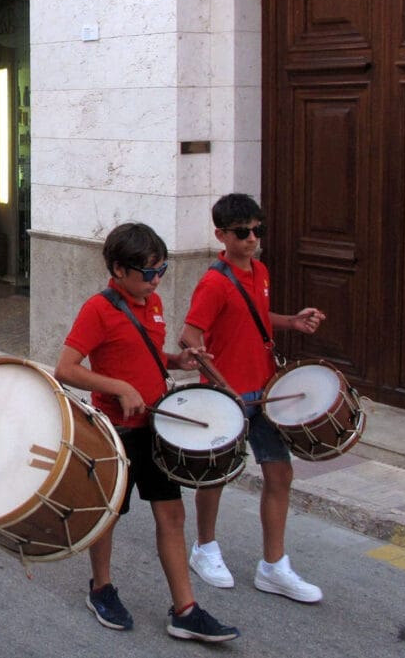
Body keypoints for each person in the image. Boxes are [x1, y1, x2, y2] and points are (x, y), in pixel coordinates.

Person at [53, 222, 240, 643]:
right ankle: (101, 589)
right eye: (149, 273)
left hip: (156, 428)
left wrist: (177, 360)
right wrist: (119, 388)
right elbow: (66, 368)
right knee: (108, 516)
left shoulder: (152, 302)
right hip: (116, 432)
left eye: (162, 271)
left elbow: (145, 352)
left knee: (171, 514)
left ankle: (185, 609)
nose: (157, 281)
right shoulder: (98, 309)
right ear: (119, 270)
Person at [181, 193, 327, 603]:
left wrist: (291, 321)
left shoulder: (260, 271)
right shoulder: (213, 282)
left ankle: (274, 566)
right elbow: (190, 336)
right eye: (242, 232)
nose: (251, 239)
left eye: (256, 230)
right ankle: (204, 548)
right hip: (226, 395)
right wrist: (219, 382)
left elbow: (256, 318)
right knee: (216, 476)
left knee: (280, 474)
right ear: (221, 235)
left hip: (265, 393)